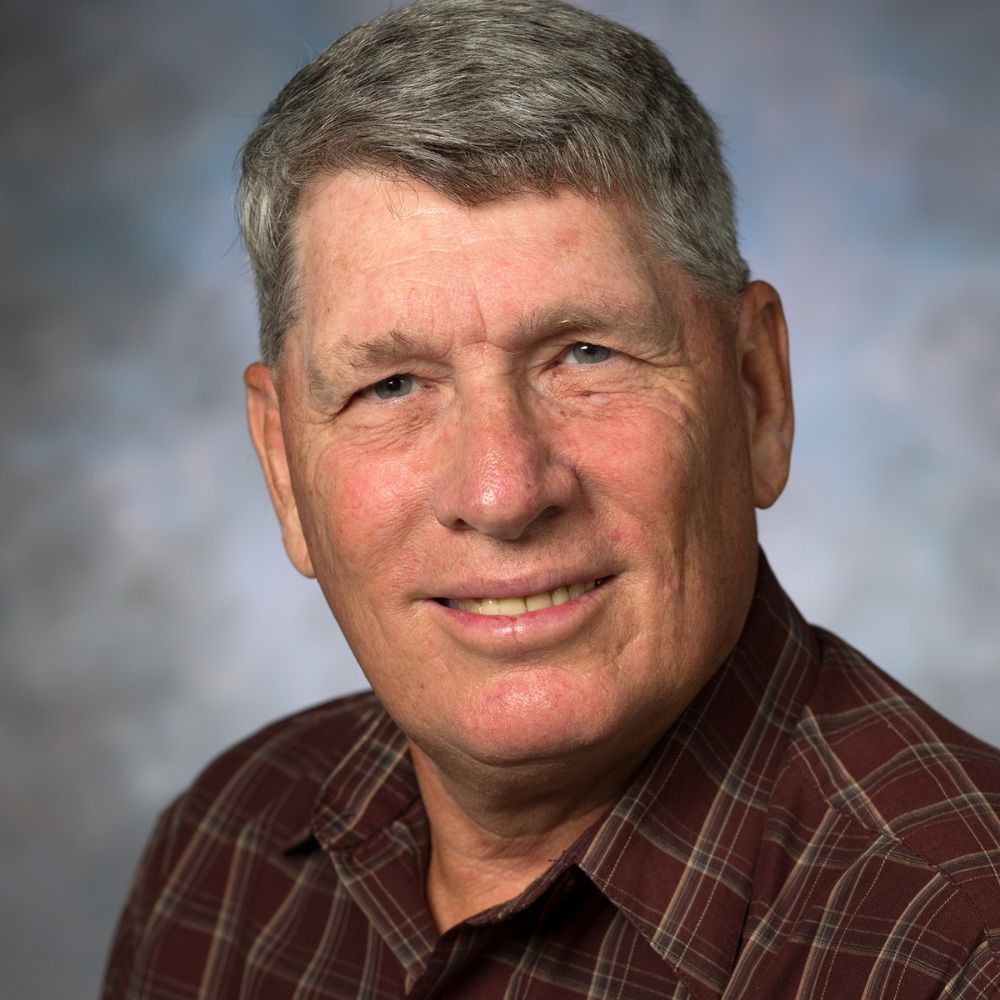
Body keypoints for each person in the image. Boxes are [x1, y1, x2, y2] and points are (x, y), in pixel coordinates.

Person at [102, 1, 1000, 996]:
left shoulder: (961, 948)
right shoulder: (223, 850)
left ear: (756, 394)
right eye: (391, 385)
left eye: (585, 355)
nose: (502, 491)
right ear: (282, 464)